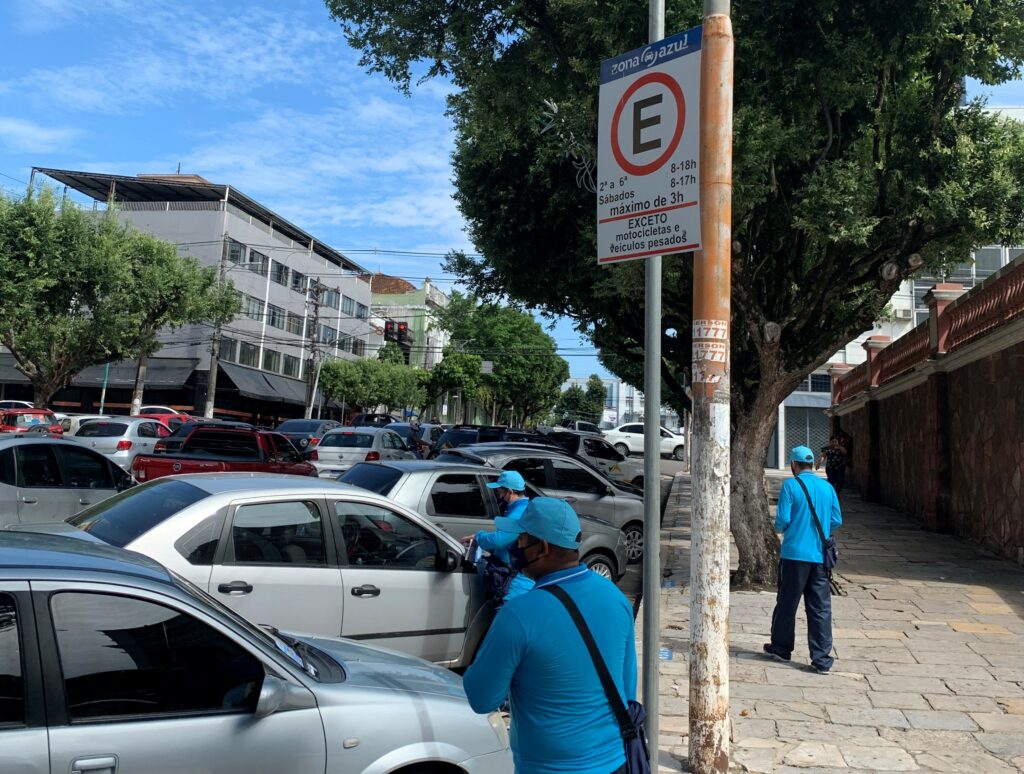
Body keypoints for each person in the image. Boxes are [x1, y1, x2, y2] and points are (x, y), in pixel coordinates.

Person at [463, 497, 637, 773]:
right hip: (615, 761)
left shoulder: (519, 613)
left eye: (520, 539)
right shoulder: (615, 598)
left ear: (541, 547)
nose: (515, 547)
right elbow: (627, 689)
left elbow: (481, 698)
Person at [764, 446, 842, 674]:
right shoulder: (827, 487)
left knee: (787, 603)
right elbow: (836, 519)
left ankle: (781, 648)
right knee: (820, 608)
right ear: (811, 464)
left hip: (794, 555)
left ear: (794, 465)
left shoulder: (791, 485)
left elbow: (782, 520)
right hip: (820, 557)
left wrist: (785, 529)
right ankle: (821, 659)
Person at [460, 470, 535, 602]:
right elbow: (507, 542)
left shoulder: (519, 513)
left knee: (506, 618)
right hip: (511, 579)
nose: (499, 495)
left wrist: (478, 536)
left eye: (500, 491)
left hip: (515, 585)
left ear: (510, 492)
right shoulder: (519, 509)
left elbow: (499, 539)